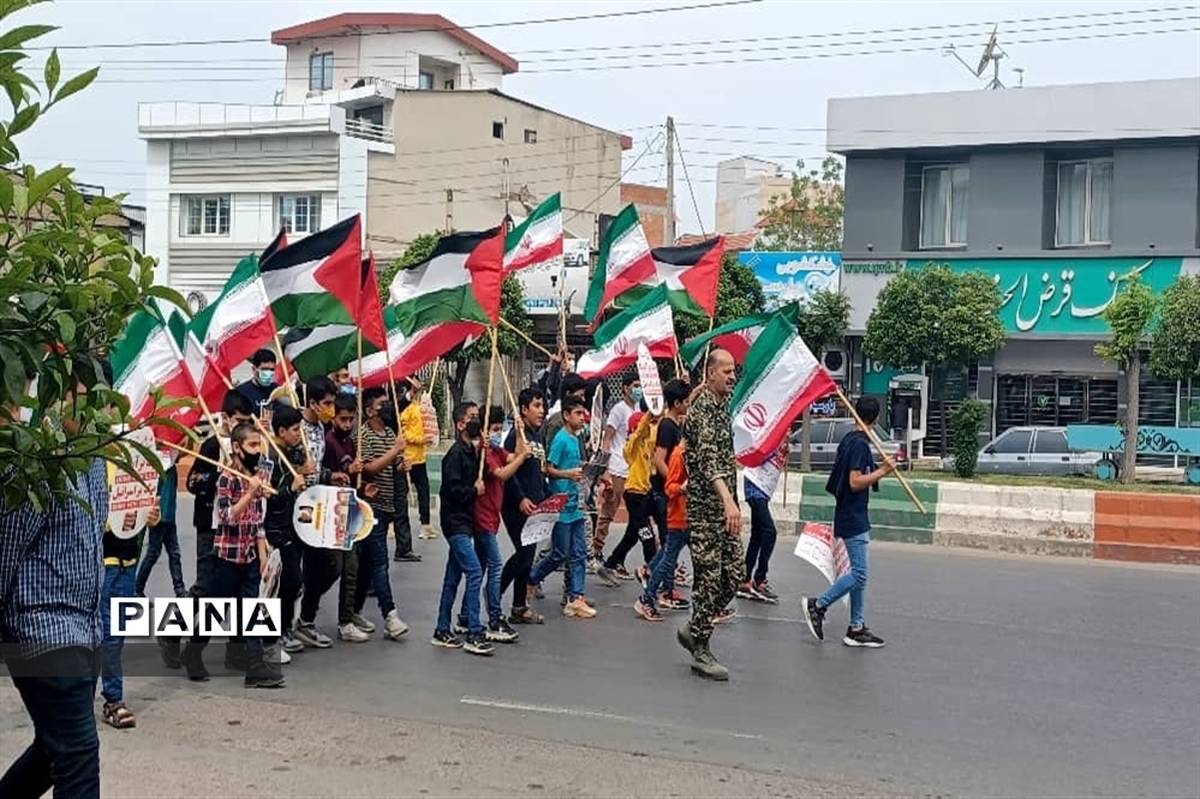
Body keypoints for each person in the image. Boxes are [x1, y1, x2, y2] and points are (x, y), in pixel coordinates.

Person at [181, 422, 284, 688]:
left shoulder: (258, 475)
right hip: (226, 557)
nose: (256, 451)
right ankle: (193, 651)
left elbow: (258, 522)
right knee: (214, 611)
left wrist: (262, 556)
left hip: (249, 556)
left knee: (252, 609)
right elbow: (226, 517)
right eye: (251, 445)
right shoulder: (226, 478)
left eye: (258, 445)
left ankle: (256, 668)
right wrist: (249, 493)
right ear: (237, 448)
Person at [802, 397, 893, 649]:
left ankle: (856, 626)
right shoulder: (859, 445)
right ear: (875, 419)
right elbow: (854, 482)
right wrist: (883, 471)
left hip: (852, 514)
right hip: (852, 516)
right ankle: (818, 605)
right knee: (860, 574)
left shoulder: (851, 440)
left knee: (859, 574)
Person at [677, 348, 744, 681]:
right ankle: (700, 648)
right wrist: (727, 500)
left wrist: (733, 501)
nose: (732, 376)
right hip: (706, 511)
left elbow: (725, 457)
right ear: (711, 373)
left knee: (734, 573)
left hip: (726, 507)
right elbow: (707, 461)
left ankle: (693, 627)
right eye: (726, 371)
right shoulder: (701, 411)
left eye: (734, 371)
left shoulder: (722, 406)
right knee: (708, 579)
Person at [175, 389, 253, 671]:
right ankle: (173, 632)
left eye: (248, 420)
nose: (244, 426)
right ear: (225, 418)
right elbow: (195, 483)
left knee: (239, 592)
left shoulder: (250, 446)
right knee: (206, 587)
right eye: (239, 420)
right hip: (211, 526)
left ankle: (237, 649)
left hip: (240, 532)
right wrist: (219, 475)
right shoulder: (211, 447)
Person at [458, 405, 527, 643]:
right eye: (495, 429)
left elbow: (515, 455)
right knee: (495, 565)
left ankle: (466, 615)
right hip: (482, 517)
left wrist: (519, 433)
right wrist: (520, 459)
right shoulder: (484, 453)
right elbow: (503, 474)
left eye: (500, 428)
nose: (498, 433)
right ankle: (495, 616)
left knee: (481, 567)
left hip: (492, 517)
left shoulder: (495, 449)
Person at [432, 402, 494, 656]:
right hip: (455, 522)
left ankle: (442, 628)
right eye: (471, 418)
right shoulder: (455, 455)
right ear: (460, 424)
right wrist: (473, 491)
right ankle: (473, 631)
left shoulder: (471, 452)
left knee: (453, 577)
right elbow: (451, 491)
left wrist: (483, 452)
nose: (476, 421)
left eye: (477, 417)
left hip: (466, 522)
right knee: (475, 571)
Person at [97, 492, 162, 730]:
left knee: (117, 633)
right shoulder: (99, 467)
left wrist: (152, 515)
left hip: (129, 562)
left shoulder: (136, 469)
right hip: (104, 563)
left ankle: (102, 696)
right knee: (108, 635)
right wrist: (112, 523)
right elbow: (87, 513)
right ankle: (113, 699)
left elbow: (149, 512)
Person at [529, 396, 594, 619]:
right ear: (566, 415)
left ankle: (576, 597)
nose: (582, 417)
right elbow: (548, 468)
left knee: (579, 552)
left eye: (583, 413)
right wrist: (567, 474)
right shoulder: (560, 439)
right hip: (561, 504)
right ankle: (532, 577)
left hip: (575, 503)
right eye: (578, 413)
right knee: (559, 553)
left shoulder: (575, 440)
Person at [354, 387, 411, 641]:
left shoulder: (389, 433)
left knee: (366, 564)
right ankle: (390, 615)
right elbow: (369, 469)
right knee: (380, 561)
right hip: (370, 506)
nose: (387, 408)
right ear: (368, 410)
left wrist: (401, 464)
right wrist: (393, 452)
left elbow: (391, 465)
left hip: (388, 505)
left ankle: (352, 611)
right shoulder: (363, 435)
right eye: (381, 404)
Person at [265, 405, 313, 660]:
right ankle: (271, 635)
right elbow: (267, 494)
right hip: (275, 528)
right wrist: (290, 486)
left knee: (292, 582)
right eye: (295, 430)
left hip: (290, 525)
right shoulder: (270, 456)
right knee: (283, 582)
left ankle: (281, 630)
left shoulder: (289, 451)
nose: (298, 434)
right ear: (281, 430)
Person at [498, 386, 548, 625]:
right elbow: (509, 473)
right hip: (515, 506)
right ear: (524, 409)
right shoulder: (516, 437)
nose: (542, 411)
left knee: (527, 556)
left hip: (535, 506)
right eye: (537, 406)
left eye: (543, 406)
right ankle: (494, 595)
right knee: (523, 554)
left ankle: (519, 607)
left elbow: (538, 473)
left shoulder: (537, 436)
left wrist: (547, 499)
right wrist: (519, 498)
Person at [597, 410, 659, 586]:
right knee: (647, 537)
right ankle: (652, 573)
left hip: (645, 494)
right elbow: (638, 435)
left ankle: (610, 564)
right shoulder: (631, 447)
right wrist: (646, 418)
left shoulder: (648, 443)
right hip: (634, 495)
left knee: (632, 535)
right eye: (646, 426)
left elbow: (658, 430)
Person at [322, 393, 365, 643]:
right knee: (332, 568)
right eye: (343, 419)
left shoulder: (351, 441)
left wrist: (363, 487)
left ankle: (346, 620)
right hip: (330, 513)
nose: (347, 424)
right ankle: (306, 607)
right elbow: (326, 475)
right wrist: (346, 471)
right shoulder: (329, 442)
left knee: (352, 568)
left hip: (349, 509)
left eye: (351, 419)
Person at [648, 379, 692, 610]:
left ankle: (651, 577)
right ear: (676, 403)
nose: (688, 404)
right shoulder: (667, 426)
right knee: (670, 545)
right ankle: (661, 590)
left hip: (673, 491)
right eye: (685, 401)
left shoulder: (677, 423)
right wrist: (675, 485)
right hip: (666, 492)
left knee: (671, 546)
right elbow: (659, 459)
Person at [636, 441, 690, 622]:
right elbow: (670, 486)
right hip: (679, 517)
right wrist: (682, 488)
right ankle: (647, 598)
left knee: (702, 561)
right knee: (668, 561)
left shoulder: (698, 454)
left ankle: (712, 605)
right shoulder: (679, 454)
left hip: (693, 518)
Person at [593, 373, 640, 564]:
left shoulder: (639, 409)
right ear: (625, 388)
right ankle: (596, 549)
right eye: (635, 386)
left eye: (640, 386)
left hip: (634, 468)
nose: (639, 390)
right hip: (618, 466)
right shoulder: (618, 410)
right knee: (609, 510)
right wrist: (606, 470)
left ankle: (617, 559)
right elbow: (607, 439)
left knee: (639, 514)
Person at [738, 438, 789, 604]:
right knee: (770, 532)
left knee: (757, 536)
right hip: (755, 491)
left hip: (763, 493)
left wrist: (782, 452)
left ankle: (745, 579)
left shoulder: (779, 445)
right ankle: (759, 578)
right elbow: (758, 457)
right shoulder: (768, 441)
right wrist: (775, 449)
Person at [134, 463, 186, 598]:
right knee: (154, 552)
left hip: (169, 516)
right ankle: (137, 588)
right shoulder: (159, 466)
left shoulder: (172, 467)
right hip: (159, 516)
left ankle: (179, 589)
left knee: (173, 553)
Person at [402, 378, 435, 545]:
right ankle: (394, 526)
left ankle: (426, 525)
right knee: (402, 494)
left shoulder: (420, 408)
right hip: (408, 458)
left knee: (424, 493)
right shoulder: (405, 409)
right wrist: (420, 439)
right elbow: (403, 433)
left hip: (420, 459)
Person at [236, 349, 279, 418]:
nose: (268, 373)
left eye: (271, 369)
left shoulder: (277, 390)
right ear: (254, 369)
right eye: (264, 369)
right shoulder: (241, 392)